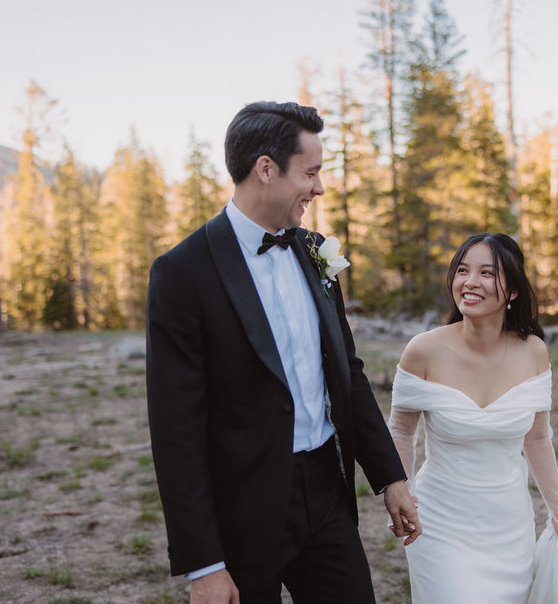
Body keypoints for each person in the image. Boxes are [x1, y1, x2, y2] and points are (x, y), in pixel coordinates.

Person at [146, 101, 420, 604]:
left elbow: (348, 372)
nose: (319, 187)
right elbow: (174, 427)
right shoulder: (182, 273)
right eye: (311, 173)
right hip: (240, 511)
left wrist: (390, 478)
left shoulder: (315, 251)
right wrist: (203, 564)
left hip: (326, 492)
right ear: (266, 170)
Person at [387, 233, 558, 603]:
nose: (470, 282)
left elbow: (538, 439)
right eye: (463, 270)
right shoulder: (423, 350)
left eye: (487, 273)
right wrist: (402, 492)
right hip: (439, 521)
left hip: (509, 524)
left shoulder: (534, 352)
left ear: (512, 291)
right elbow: (400, 430)